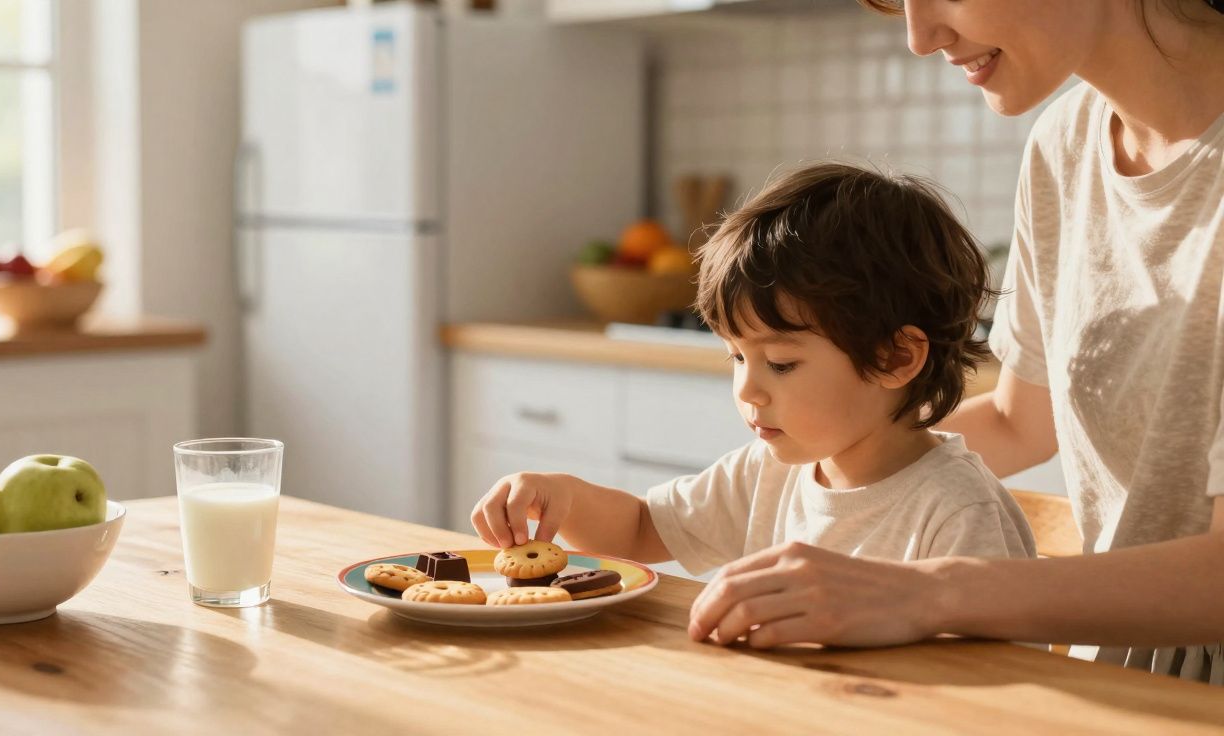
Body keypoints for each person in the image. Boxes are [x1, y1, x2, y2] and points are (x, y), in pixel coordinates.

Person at [684, 0, 1224, 684]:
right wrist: (834, 473)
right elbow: (1018, 421)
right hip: (1121, 678)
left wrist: (925, 592)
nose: (919, 36)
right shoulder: (1067, 146)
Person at [470, 162, 1036, 594]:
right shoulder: (765, 473)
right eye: (737, 358)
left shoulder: (958, 515)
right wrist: (563, 495)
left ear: (895, 358)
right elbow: (642, 528)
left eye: (781, 363)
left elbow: (995, 685)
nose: (747, 391)